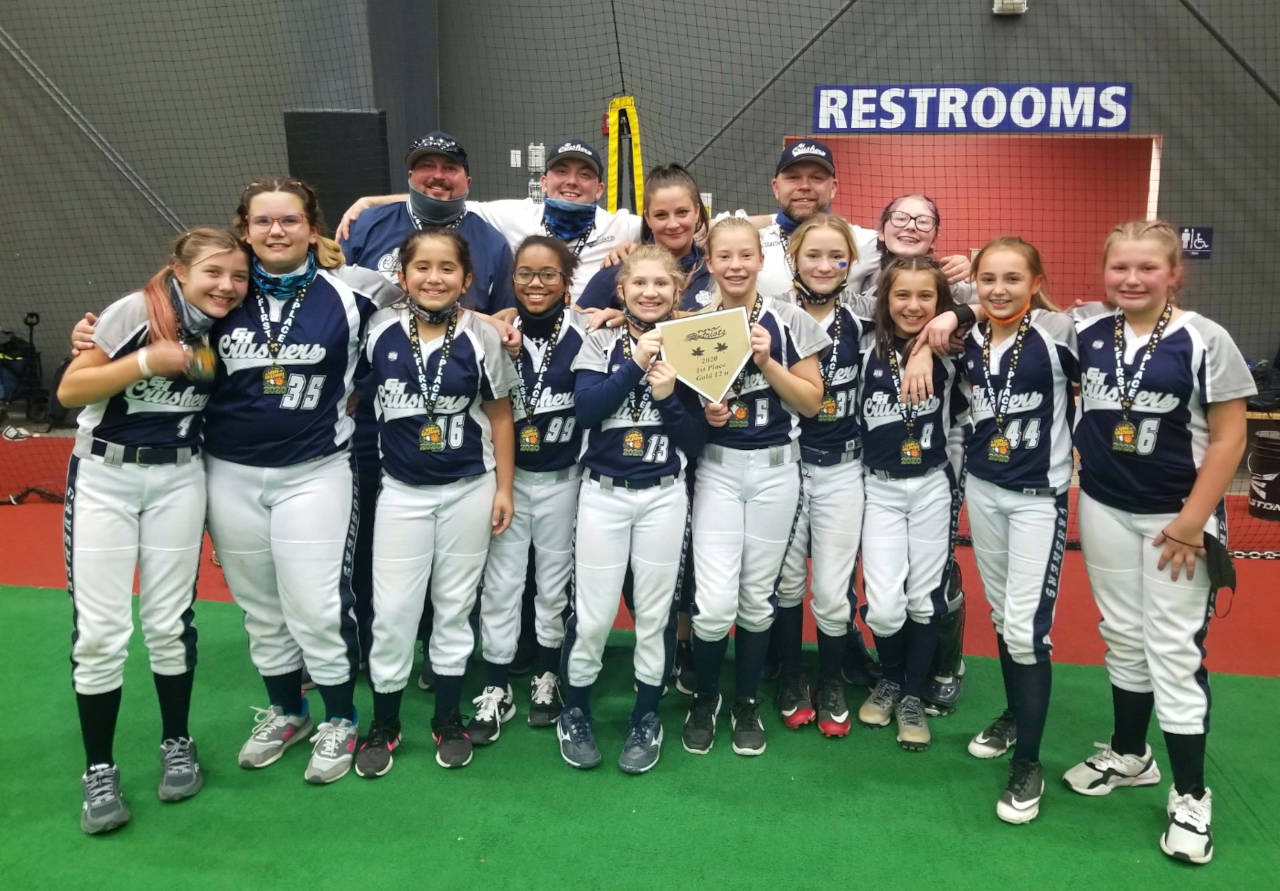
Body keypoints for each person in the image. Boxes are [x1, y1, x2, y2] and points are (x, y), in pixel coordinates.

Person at [1063, 220, 1253, 864]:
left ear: (1175, 274)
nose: (1133, 279)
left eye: (1148, 268)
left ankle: (1192, 795)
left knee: (1172, 650)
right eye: (1120, 268)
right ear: (1104, 272)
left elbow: (1229, 438)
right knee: (1120, 632)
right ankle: (1130, 754)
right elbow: (1011, 312)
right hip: (1105, 508)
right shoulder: (1088, 330)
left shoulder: (1205, 339)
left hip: (1178, 520)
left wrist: (1195, 520)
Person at [204, 177, 399, 785]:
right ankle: (288, 710)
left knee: (315, 603)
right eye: (263, 222)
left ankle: (339, 718)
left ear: (311, 227)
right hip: (229, 473)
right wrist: (89, 337)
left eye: (289, 221)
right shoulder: (218, 292)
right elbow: (148, 325)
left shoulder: (356, 290)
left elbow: (431, 301)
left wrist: (496, 319)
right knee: (260, 607)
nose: (276, 232)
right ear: (244, 228)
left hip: (315, 470)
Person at [57, 227, 250, 833]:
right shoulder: (138, 311)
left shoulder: (232, 323)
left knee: (169, 621)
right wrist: (142, 360)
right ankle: (98, 768)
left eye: (237, 276)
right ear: (179, 269)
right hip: (106, 475)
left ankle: (176, 741)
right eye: (213, 273)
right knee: (101, 631)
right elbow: (70, 388)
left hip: (179, 477)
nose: (226, 286)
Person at [340, 130, 514, 681]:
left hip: (460, 411)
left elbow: (506, 314)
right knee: (374, 539)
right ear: (409, 176)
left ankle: (440, 662)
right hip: (379, 411)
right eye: (425, 167)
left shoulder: (489, 238)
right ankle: (372, 645)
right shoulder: (368, 225)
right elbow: (334, 287)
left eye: (449, 168)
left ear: (467, 178)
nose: (438, 176)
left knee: (454, 567)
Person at [353, 228, 516, 776]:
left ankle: (447, 718)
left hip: (468, 490)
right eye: (421, 267)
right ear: (402, 276)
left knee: (453, 607)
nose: (434, 277)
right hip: (401, 493)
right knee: (395, 611)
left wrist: (504, 487)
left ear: (467, 280)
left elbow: (499, 416)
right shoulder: (377, 330)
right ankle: (385, 722)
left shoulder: (482, 336)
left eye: (447, 268)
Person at [681, 217, 829, 757]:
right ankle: (704, 698)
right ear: (710, 262)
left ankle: (745, 703)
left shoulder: (789, 321)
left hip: (774, 471)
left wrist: (767, 361)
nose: (736, 265)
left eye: (746, 255)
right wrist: (706, 413)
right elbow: (679, 405)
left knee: (756, 599)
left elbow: (812, 402)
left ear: (761, 261)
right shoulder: (692, 323)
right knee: (715, 603)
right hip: (718, 468)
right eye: (725, 256)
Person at [557, 245, 707, 772]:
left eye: (660, 284)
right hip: (602, 494)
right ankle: (573, 709)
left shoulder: (690, 345)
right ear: (621, 290)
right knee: (594, 615)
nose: (649, 292)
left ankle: (646, 715)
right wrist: (636, 362)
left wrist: (669, 398)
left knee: (654, 613)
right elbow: (586, 410)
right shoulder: (599, 339)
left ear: (677, 291)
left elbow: (694, 441)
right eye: (638, 284)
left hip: (664, 495)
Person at [957, 237, 1076, 824]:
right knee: (1004, 617)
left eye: (1011, 278)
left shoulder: (1059, 335)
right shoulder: (970, 341)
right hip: (984, 491)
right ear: (975, 284)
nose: (999, 289)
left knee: (1029, 630)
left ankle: (1028, 763)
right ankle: (1013, 716)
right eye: (988, 279)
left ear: (1035, 281)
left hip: (1037, 501)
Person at [470, 235, 589, 743]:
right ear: (511, 278)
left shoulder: (589, 331)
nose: (535, 284)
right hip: (508, 482)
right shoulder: (489, 330)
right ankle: (496, 685)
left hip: (565, 481)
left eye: (548, 275)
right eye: (525, 274)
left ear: (566, 282)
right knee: (501, 586)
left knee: (553, 584)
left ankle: (546, 674)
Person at [855, 255, 965, 753]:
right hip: (877, 487)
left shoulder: (954, 348)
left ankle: (912, 694)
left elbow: (995, 307)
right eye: (902, 295)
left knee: (925, 599)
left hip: (930, 488)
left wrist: (945, 328)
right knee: (882, 607)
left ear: (940, 303)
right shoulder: (861, 345)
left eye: (926, 297)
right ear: (885, 299)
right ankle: (893, 678)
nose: (913, 305)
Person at [772, 214, 876, 738]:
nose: (824, 264)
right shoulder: (772, 315)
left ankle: (830, 679)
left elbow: (928, 310)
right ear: (793, 257)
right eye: (813, 254)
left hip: (842, 468)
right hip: (786, 465)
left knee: (833, 593)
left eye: (837, 256)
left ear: (851, 264)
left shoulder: (865, 317)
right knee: (788, 581)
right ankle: (792, 678)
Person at [336, 139, 642, 303]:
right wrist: (371, 201)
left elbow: (679, 225)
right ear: (545, 182)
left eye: (585, 175)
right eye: (562, 172)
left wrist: (637, 251)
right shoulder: (512, 214)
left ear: (600, 189)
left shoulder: (623, 226)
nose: (572, 182)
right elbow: (444, 198)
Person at [578, 163, 712, 311]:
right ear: (647, 218)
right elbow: (576, 322)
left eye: (682, 212)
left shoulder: (715, 270)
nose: (673, 224)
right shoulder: (619, 269)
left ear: (697, 211)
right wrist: (621, 325)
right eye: (661, 215)